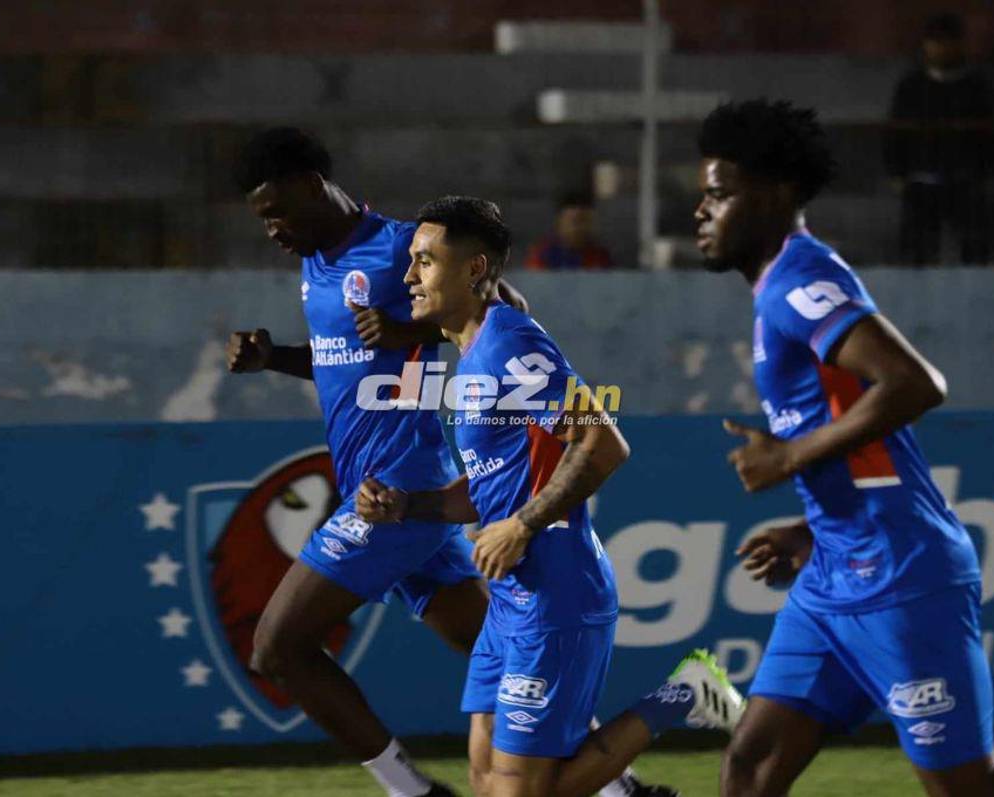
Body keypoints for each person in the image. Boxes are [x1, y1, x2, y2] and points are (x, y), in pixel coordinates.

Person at [226, 128, 672, 797]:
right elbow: (345, 360)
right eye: (262, 220)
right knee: (495, 654)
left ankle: (411, 790)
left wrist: (416, 329)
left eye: (278, 212)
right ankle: (622, 786)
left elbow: (503, 310)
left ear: (313, 187)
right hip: (406, 496)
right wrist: (275, 359)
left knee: (277, 648)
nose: (273, 230)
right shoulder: (317, 265)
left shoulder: (406, 246)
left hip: (404, 472)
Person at [693, 99, 994, 797]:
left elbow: (914, 382)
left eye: (721, 192)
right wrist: (814, 522)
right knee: (750, 766)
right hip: (834, 571)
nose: (702, 210)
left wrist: (789, 460)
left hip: (901, 577)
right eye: (704, 192)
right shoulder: (779, 289)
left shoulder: (799, 281)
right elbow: (862, 429)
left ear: (779, 194)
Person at [357, 196, 745, 797]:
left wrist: (523, 527)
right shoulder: (472, 355)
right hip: (512, 600)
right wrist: (409, 507)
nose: (409, 276)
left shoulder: (510, 343)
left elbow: (604, 440)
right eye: (411, 261)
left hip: (555, 593)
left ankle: (684, 695)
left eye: (425, 261)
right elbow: (489, 491)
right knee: (488, 784)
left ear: (475, 269)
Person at [884, 12, 994, 264]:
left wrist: (987, 172)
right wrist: (896, 173)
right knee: (917, 255)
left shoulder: (976, 87)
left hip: (966, 183)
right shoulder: (911, 87)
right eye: (936, 42)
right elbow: (895, 133)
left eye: (948, 42)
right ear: (926, 45)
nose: (942, 48)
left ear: (959, 44)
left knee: (975, 252)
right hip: (921, 183)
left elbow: (990, 135)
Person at [524, 191, 616, 270]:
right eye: (573, 221)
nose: (579, 227)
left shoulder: (600, 256)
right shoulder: (542, 254)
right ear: (559, 222)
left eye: (584, 221)